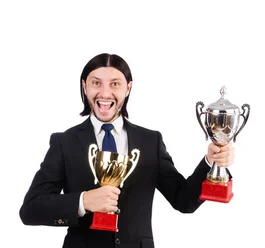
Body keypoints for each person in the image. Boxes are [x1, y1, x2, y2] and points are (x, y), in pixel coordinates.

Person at [19, 53, 235, 248]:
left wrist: (210, 161)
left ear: (128, 88)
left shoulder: (150, 141)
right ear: (85, 87)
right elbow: (30, 209)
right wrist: (83, 201)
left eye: (115, 84)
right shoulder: (64, 142)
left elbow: (184, 200)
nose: (105, 93)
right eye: (96, 83)